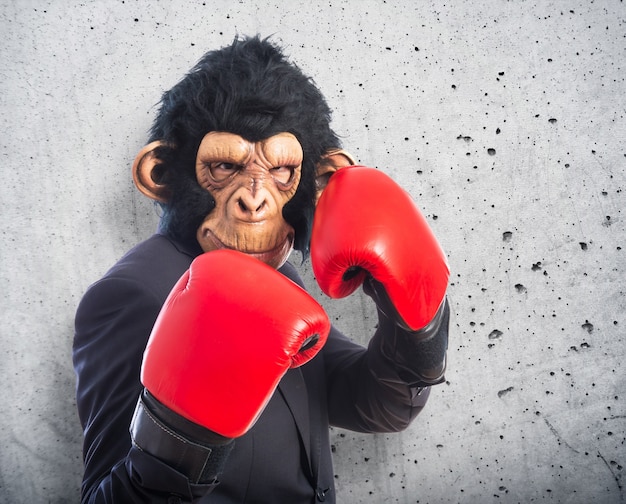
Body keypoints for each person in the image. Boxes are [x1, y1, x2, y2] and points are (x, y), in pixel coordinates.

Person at [73, 35, 450, 504]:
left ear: (320, 180)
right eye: (226, 166)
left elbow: (376, 405)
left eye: (280, 172)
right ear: (162, 174)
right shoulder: (134, 295)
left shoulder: (278, 278)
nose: (254, 199)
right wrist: (176, 444)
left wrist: (417, 318)